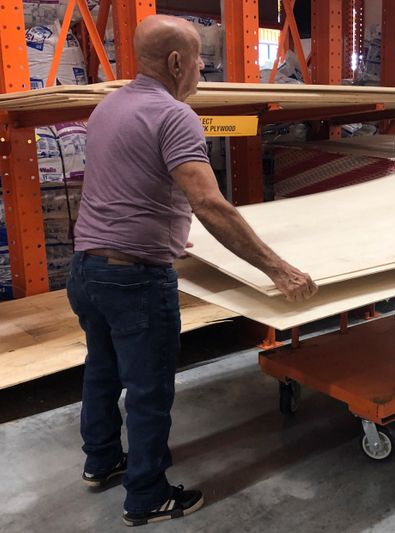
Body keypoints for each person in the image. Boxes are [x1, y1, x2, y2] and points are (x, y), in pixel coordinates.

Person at [66, 15, 317, 527]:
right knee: (149, 388)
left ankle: (102, 461)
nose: (204, 67)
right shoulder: (174, 114)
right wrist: (279, 270)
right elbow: (210, 203)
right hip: (135, 277)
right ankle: (147, 495)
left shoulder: (109, 105)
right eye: (200, 57)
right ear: (177, 61)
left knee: (102, 369)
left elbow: (129, 185)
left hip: (87, 271)